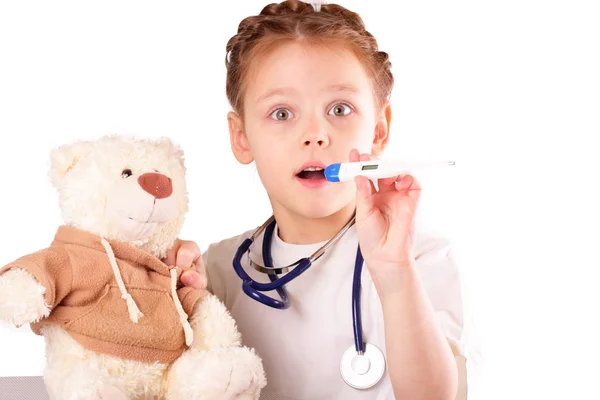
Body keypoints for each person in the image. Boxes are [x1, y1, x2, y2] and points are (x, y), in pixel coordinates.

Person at [165, 1, 476, 398]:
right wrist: (171, 294)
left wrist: (394, 274)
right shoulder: (221, 271)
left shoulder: (419, 257)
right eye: (281, 114)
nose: (315, 134)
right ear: (240, 137)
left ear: (379, 132)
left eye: (340, 109)